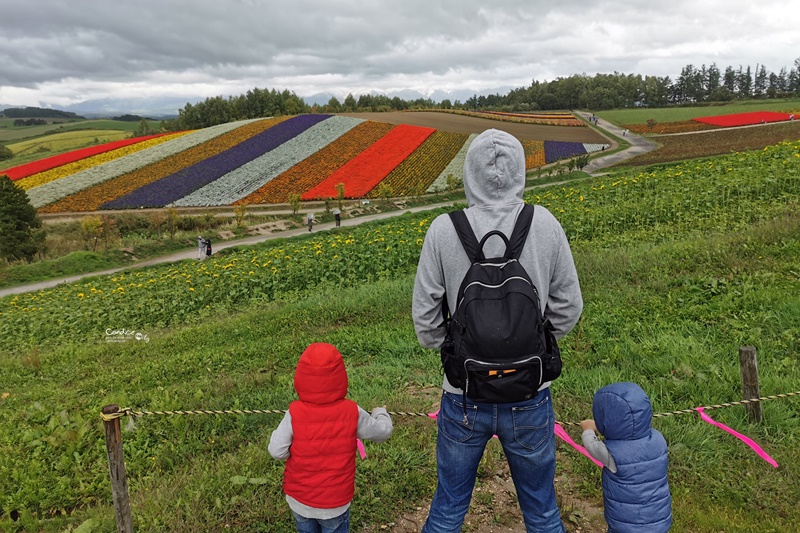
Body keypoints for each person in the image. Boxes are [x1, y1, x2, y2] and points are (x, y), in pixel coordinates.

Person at [412, 129, 583, 532]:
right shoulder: (544, 223)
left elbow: (425, 322)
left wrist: (453, 350)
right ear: (521, 170)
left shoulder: (442, 230)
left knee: (448, 508)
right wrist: (537, 342)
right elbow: (569, 307)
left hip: (463, 395)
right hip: (530, 393)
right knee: (542, 511)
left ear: (469, 173)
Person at [269, 342, 393, 533]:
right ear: (341, 377)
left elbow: (276, 451)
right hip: (335, 504)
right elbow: (382, 432)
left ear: (300, 377)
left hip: (299, 501)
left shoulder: (294, 412)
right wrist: (380, 413)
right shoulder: (352, 411)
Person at [580, 382, 672, 533]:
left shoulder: (612, 452)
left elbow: (591, 446)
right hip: (659, 521)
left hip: (626, 527)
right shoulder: (658, 439)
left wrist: (588, 429)